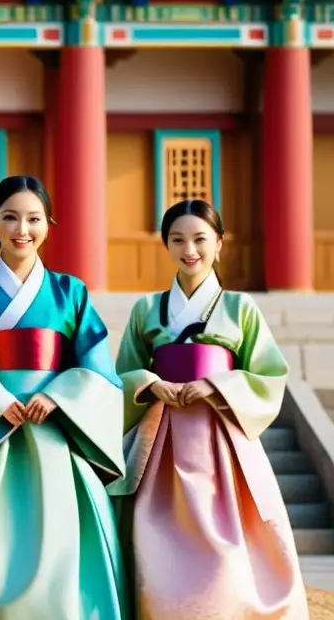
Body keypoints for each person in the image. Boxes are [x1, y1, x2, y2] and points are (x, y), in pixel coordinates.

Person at [108, 199, 307, 619]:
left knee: (227, 539)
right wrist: (151, 383)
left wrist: (215, 385)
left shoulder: (241, 308)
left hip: (221, 437)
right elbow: (121, 376)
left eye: (200, 239)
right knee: (157, 534)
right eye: (177, 240)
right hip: (162, 437)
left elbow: (268, 374)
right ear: (166, 245)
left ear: (219, 243)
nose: (189, 249)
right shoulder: (147, 309)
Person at [0, 175, 127, 620]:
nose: (22, 228)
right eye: (10, 217)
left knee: (64, 539)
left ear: (48, 225)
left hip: (55, 432)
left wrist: (60, 396)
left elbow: (99, 368)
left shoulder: (71, 292)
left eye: (33, 219)